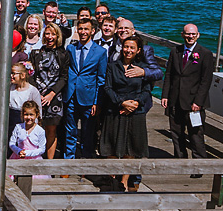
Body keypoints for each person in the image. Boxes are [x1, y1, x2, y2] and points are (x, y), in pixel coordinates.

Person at [101, 36, 153, 189]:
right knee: (111, 144)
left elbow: (147, 90)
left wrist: (135, 103)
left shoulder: (142, 68)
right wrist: (121, 102)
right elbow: (108, 88)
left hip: (135, 112)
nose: (128, 50)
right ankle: (112, 178)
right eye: (126, 47)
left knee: (130, 147)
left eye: (132, 48)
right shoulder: (113, 66)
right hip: (115, 110)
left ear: (138, 51)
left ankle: (125, 179)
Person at [161, 24, 215, 165]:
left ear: (198, 35)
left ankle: (199, 164)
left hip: (193, 103)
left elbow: (206, 81)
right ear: (182, 35)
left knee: (195, 135)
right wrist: (165, 95)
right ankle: (180, 161)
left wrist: (198, 102)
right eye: (187, 34)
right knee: (176, 133)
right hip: (175, 100)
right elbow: (169, 75)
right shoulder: (175, 51)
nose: (190, 36)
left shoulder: (205, 54)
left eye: (193, 34)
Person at [63, 20, 107, 159]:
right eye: (80, 29)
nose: (83, 32)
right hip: (71, 95)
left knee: (88, 132)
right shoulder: (71, 48)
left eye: (86, 29)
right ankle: (68, 159)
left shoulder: (100, 52)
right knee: (70, 130)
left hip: (88, 97)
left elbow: (101, 78)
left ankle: (85, 160)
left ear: (92, 31)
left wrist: (97, 102)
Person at [32, 24, 71, 159]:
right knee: (35, 128)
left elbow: (64, 77)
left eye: (53, 34)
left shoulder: (64, 54)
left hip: (55, 96)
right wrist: (37, 95)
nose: (50, 37)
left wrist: (51, 94)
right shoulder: (36, 53)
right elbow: (31, 75)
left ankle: (49, 162)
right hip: (37, 95)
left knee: (51, 130)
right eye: (47, 34)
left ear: (58, 36)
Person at [8, 62, 43, 134]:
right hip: (10, 122)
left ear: (23, 75)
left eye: (14, 73)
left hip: (25, 122)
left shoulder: (32, 91)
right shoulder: (9, 88)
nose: (11, 76)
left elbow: (38, 110)